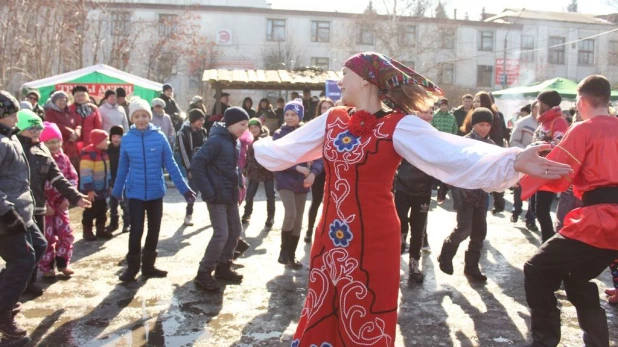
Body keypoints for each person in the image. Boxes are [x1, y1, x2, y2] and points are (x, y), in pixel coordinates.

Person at [252, 53, 569, 345]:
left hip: (375, 236)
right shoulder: (333, 119)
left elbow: (451, 153)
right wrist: (256, 144)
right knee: (323, 304)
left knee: (364, 308)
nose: (339, 81)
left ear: (365, 79)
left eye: (344, 73)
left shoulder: (398, 127)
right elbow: (289, 148)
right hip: (330, 234)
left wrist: (511, 160)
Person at [520, 75, 618, 347]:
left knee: (535, 269)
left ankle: (544, 341)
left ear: (581, 100)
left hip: (599, 221)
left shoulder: (584, 129)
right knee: (576, 278)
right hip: (610, 224)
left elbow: (557, 169)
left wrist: (517, 179)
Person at [113, 98, 196, 282]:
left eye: (144, 115)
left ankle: (149, 266)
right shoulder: (127, 140)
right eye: (137, 116)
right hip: (135, 193)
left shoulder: (159, 137)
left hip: (155, 192)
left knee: (154, 229)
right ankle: (132, 268)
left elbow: (171, 165)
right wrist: (116, 191)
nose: (141, 119)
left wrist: (184, 189)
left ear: (149, 117)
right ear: (132, 118)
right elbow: (122, 168)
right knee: (136, 230)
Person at [16, 114, 89, 286]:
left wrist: (74, 197)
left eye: (38, 129)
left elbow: (61, 178)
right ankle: (39, 272)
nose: (35, 132)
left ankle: (56, 266)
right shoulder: (16, 149)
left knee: (57, 237)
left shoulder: (45, 152)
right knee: (37, 244)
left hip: (52, 206)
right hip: (28, 207)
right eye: (31, 128)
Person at [0, 91, 47, 339]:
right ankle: (3, 312)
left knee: (39, 246)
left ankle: (3, 294)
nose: (17, 117)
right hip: (6, 216)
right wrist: (6, 213)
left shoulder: (11, 137)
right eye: (12, 113)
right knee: (22, 261)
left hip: (23, 211)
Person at [191, 107, 249, 292]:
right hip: (216, 196)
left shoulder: (235, 142)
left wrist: (240, 184)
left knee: (235, 231)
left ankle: (223, 266)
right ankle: (204, 272)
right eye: (242, 125)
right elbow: (197, 164)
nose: (244, 129)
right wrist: (208, 192)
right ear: (231, 123)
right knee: (221, 233)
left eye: (246, 125)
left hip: (230, 195)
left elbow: (235, 168)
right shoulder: (216, 141)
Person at [438, 108, 498, 283]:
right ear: (473, 124)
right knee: (464, 228)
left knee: (479, 232)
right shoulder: (463, 143)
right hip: (464, 193)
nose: (485, 128)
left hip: (483, 194)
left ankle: (471, 268)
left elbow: (497, 170)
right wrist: (444, 188)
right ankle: (446, 254)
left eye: (488, 125)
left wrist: (499, 196)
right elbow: (451, 166)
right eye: (481, 124)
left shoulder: (492, 145)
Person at [274, 99, 322, 270]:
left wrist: (313, 173)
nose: (289, 117)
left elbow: (318, 155)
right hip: (285, 179)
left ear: (300, 116)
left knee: (299, 218)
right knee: (291, 213)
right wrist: (299, 168)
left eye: (293, 114)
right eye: (286, 114)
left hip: (302, 182)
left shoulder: (306, 133)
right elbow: (278, 157)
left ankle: (291, 255)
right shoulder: (279, 134)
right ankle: (283, 251)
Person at [38, 122, 89, 277]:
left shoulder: (63, 158)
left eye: (56, 141)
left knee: (66, 233)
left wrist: (69, 198)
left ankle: (63, 262)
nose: (54, 145)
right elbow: (34, 185)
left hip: (62, 204)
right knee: (46, 237)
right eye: (49, 142)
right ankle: (46, 267)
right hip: (45, 207)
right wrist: (44, 205)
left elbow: (72, 177)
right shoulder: (39, 159)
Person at [395, 108, 435, 284]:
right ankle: (395, 258)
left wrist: (442, 187)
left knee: (419, 229)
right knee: (399, 223)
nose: (427, 115)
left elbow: (439, 161)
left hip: (423, 191)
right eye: (423, 112)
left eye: (430, 112)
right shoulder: (405, 133)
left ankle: (414, 264)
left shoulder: (435, 137)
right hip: (403, 187)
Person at [532, 90, 569, 243]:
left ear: (546, 103)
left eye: (539, 102)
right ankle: (547, 241)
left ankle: (548, 243)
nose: (537, 105)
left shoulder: (558, 121)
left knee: (541, 210)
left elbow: (560, 145)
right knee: (537, 209)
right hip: (538, 170)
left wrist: (538, 146)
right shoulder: (543, 122)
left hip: (549, 171)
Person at [303, 98, 334, 243]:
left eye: (329, 107)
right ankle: (309, 229)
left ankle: (328, 231)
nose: (326, 110)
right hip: (318, 170)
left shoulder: (339, 126)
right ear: (319, 110)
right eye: (323, 107)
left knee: (332, 202)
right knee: (316, 200)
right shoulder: (315, 126)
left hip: (334, 170)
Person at [509, 101, 540, 231]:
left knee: (534, 189)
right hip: (523, 158)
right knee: (520, 187)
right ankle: (516, 210)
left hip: (538, 162)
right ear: (533, 108)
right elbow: (513, 141)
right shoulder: (522, 123)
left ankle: (530, 219)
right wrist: (526, 151)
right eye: (538, 108)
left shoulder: (546, 124)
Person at [80, 129, 113, 241]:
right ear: (98, 142)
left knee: (102, 210)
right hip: (92, 191)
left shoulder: (104, 154)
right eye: (106, 140)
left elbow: (107, 172)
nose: (108, 142)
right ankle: (87, 230)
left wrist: (109, 185)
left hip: (102, 189)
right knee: (90, 211)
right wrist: (89, 189)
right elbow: (85, 173)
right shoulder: (89, 155)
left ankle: (101, 229)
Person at [242, 118, 276, 228]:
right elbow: (246, 156)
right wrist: (245, 169)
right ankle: (247, 214)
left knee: (270, 195)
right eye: (251, 128)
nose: (253, 129)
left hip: (267, 171)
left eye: (255, 127)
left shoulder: (267, 139)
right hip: (253, 172)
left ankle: (270, 217)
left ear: (260, 127)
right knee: (249, 195)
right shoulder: (247, 140)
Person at [177, 109, 208, 226]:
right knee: (193, 191)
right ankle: (188, 214)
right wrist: (189, 169)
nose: (202, 122)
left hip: (204, 165)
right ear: (193, 119)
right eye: (200, 120)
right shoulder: (182, 133)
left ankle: (215, 214)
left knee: (209, 190)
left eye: (203, 119)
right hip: (193, 166)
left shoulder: (203, 131)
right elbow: (183, 152)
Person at [45, 91, 82, 170]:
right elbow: (52, 125)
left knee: (74, 169)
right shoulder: (50, 113)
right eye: (60, 100)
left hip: (73, 146)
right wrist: (69, 132)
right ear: (54, 101)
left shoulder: (70, 112)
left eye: (64, 100)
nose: (63, 102)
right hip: (60, 145)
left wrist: (77, 132)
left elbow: (78, 124)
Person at [430, 98, 458, 204]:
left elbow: (455, 129)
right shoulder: (435, 116)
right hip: (437, 145)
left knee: (445, 167)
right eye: (442, 105)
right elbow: (431, 128)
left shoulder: (452, 117)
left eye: (445, 105)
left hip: (448, 146)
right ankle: (434, 183)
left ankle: (441, 191)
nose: (443, 107)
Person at [106, 125, 130, 233]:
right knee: (113, 204)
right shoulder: (107, 150)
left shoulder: (125, 149)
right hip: (112, 180)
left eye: (119, 137)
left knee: (125, 203)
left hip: (124, 180)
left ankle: (127, 223)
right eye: (114, 136)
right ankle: (113, 223)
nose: (116, 139)